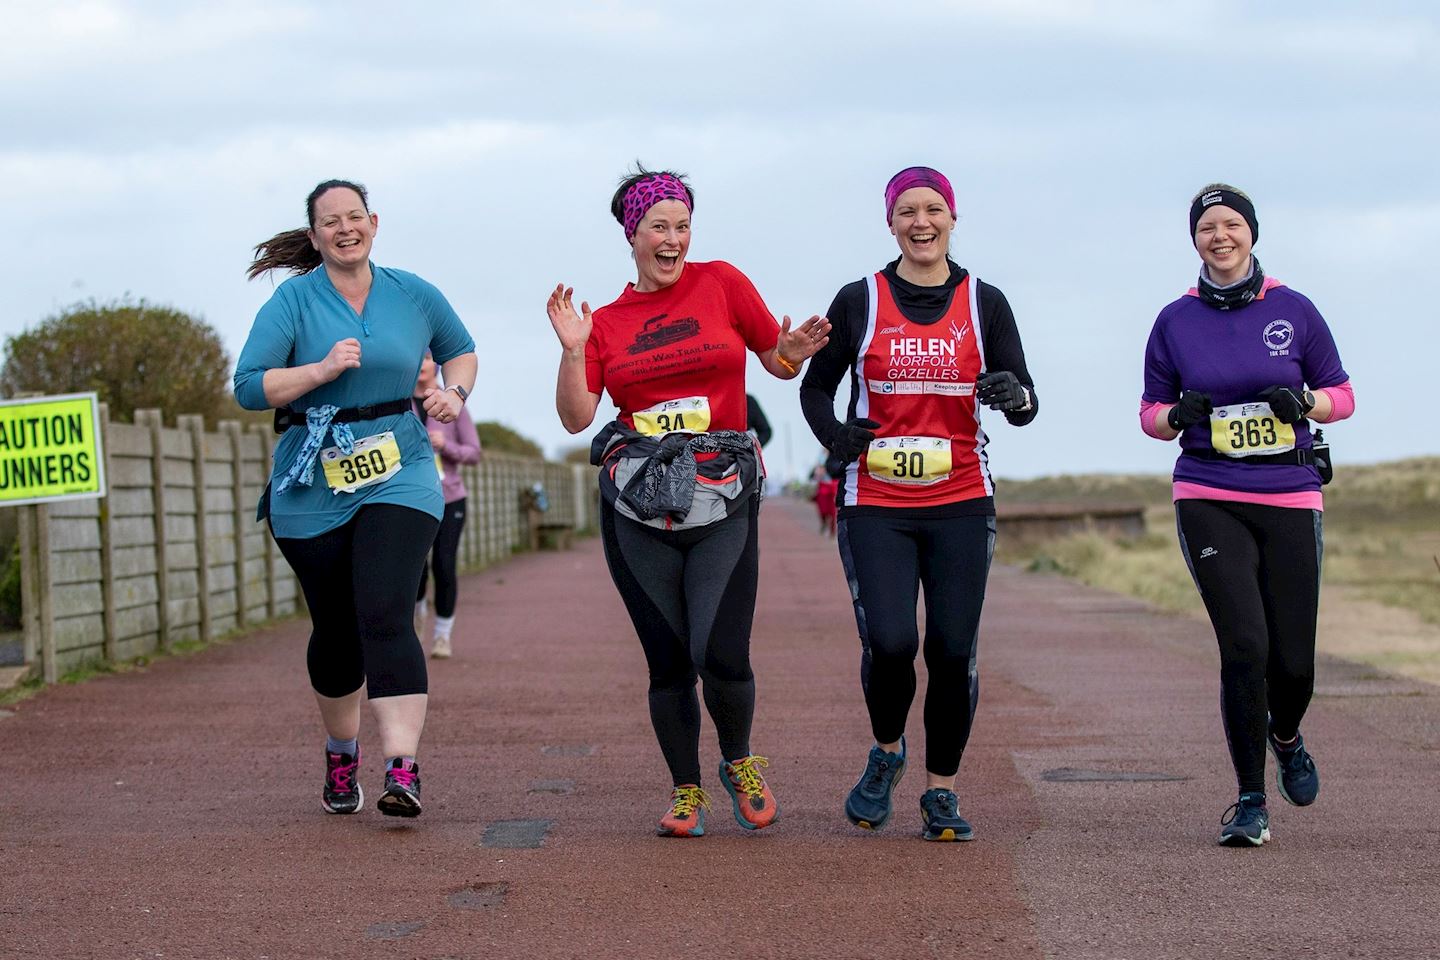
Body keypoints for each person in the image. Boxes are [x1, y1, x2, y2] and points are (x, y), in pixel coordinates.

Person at [546, 165, 830, 837]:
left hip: (723, 495)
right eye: (658, 228)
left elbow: (777, 362)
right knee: (669, 660)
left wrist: (789, 352)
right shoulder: (607, 323)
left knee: (720, 650)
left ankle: (738, 760)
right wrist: (572, 351)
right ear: (633, 235)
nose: (673, 240)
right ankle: (685, 790)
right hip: (638, 504)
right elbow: (576, 417)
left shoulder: (723, 283)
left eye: (682, 226)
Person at [801, 166, 1038, 841]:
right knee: (891, 641)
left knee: (952, 649)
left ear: (953, 218)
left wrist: (1012, 395)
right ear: (891, 222)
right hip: (875, 499)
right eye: (907, 210)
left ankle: (942, 791)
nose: (921, 222)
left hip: (961, 496)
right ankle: (885, 752)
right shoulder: (860, 299)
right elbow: (815, 389)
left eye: (933, 209)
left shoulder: (985, 302)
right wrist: (837, 440)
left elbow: (1024, 398)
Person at [235, 179, 477, 819]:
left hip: (400, 469)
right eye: (329, 222)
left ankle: (403, 768)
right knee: (338, 633)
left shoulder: (412, 293)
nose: (345, 229)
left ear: (373, 222)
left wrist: (455, 393)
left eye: (354, 217)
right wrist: (318, 372)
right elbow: (249, 386)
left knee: (385, 610)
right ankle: (342, 750)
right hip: (311, 481)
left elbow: (462, 351)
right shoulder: (292, 301)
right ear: (314, 237)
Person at [1140, 183, 1354, 846]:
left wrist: (1306, 404)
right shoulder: (1174, 321)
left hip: (1288, 493)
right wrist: (1179, 415)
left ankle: (1285, 735)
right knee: (1244, 646)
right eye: (1207, 227)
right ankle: (1250, 800)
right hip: (1207, 492)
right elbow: (1150, 412)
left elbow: (1343, 396)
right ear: (1195, 240)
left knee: (1293, 667)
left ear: (1252, 234)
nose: (1220, 236)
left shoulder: (1295, 309)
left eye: (1232, 224)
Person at [412, 352, 483, 660]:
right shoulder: (397, 404)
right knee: (414, 569)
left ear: (435, 365)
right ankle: (415, 618)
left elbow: (474, 452)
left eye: (426, 358)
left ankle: (442, 636)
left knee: (444, 565)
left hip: (449, 497)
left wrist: (446, 446)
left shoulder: (452, 405)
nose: (420, 364)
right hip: (410, 498)